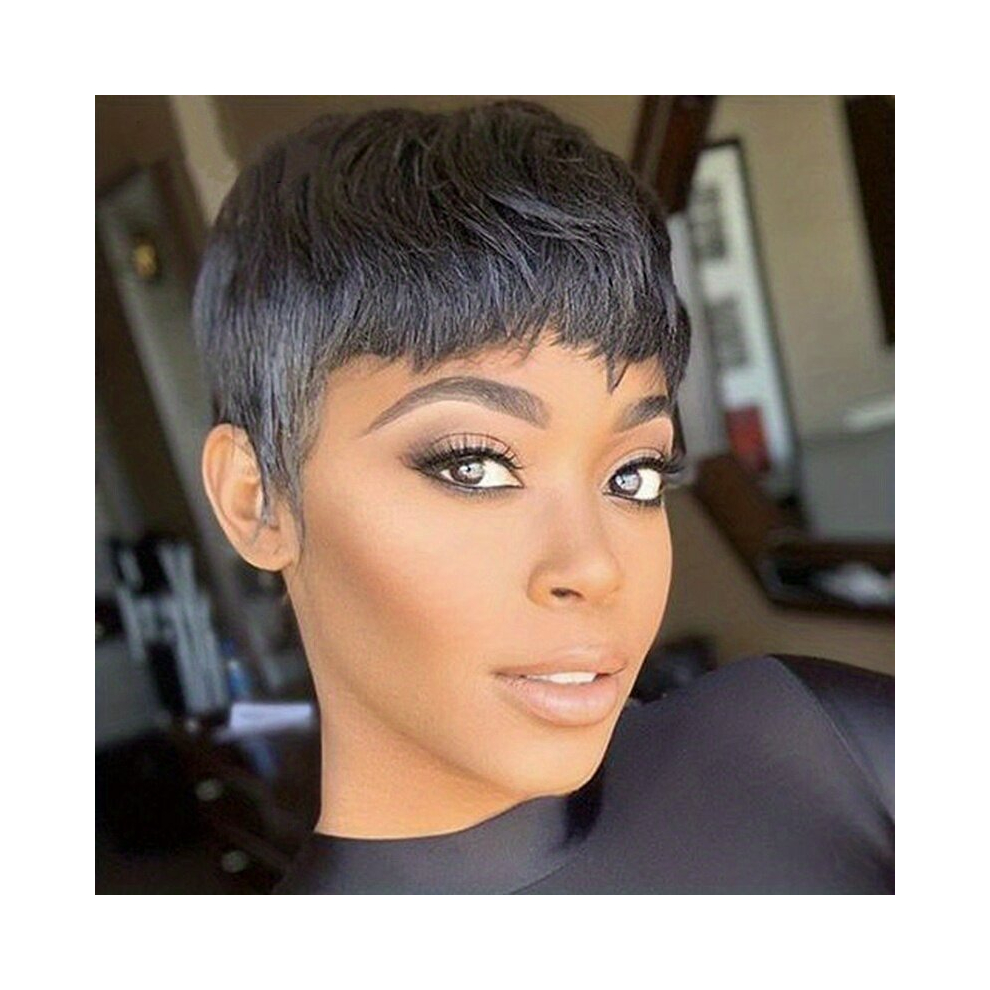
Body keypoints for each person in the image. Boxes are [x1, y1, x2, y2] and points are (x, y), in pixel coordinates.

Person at [192, 100, 893, 894]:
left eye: (633, 474)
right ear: (257, 501)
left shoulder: (812, 746)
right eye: (474, 466)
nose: (594, 568)